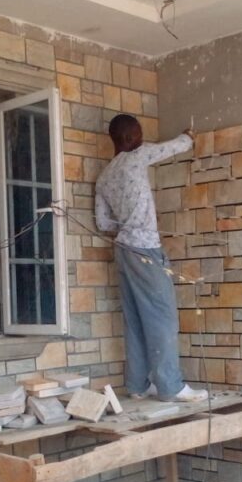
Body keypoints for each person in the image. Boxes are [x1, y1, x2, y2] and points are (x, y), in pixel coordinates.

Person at [95, 114, 209, 403]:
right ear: (130, 138)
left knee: (135, 318)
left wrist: (127, 223)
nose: (143, 138)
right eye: (139, 133)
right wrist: (188, 137)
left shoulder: (104, 177)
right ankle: (171, 386)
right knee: (162, 315)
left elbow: (103, 223)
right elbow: (170, 148)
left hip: (123, 251)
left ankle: (138, 384)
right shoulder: (138, 156)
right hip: (145, 249)